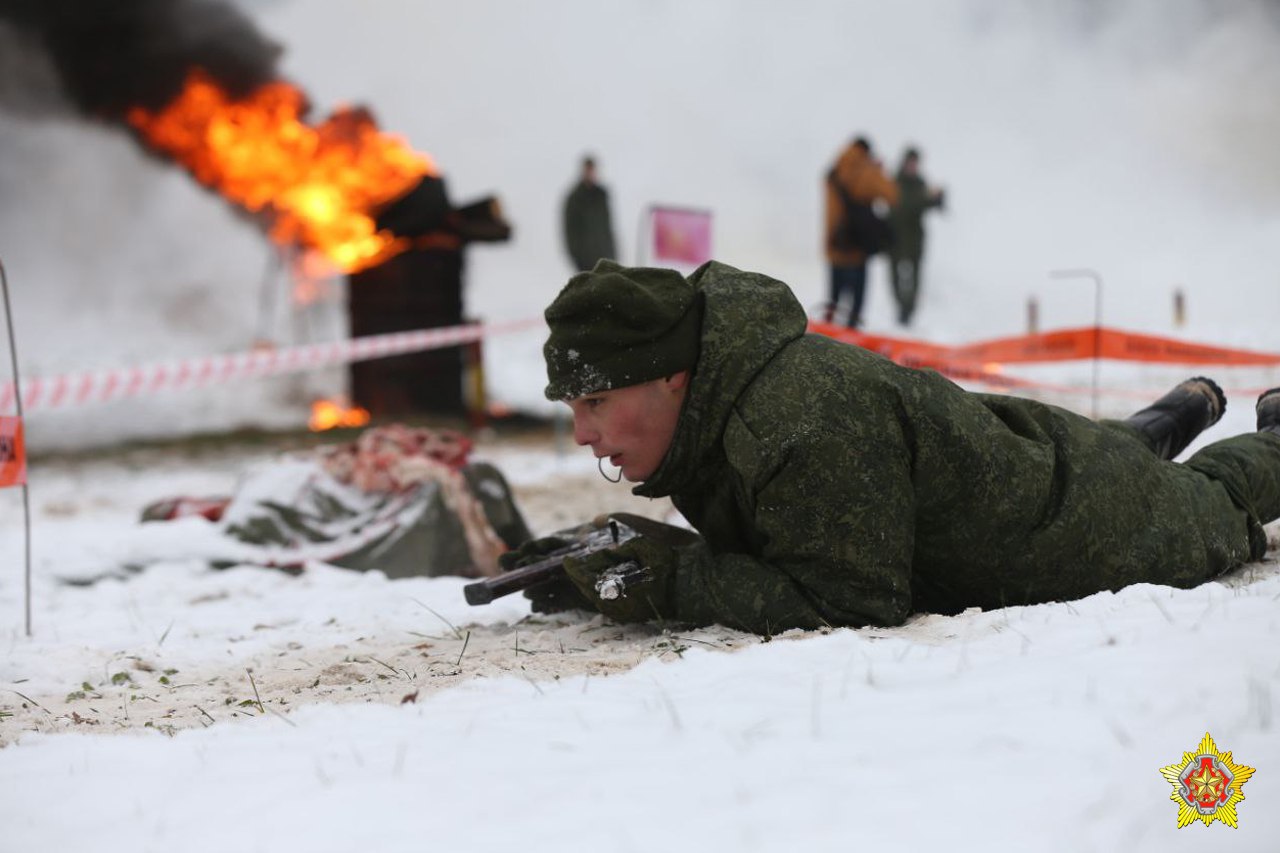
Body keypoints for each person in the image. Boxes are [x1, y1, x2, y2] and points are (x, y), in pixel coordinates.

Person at [502, 259, 1280, 635]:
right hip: (1034, 453)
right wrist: (627, 548)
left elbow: (851, 597)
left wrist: (664, 580)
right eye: (574, 406)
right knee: (1107, 450)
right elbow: (779, 538)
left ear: (673, 376)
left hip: (1089, 529)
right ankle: (1166, 420)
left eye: (597, 402)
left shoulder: (799, 420)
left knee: (1216, 499)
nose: (582, 432)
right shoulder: (723, 400)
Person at [823, 136, 898, 328]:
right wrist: (878, 170)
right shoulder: (866, 171)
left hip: (835, 246)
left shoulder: (834, 170)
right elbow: (891, 194)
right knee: (855, 307)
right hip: (856, 250)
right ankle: (851, 338)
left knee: (833, 300)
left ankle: (824, 333)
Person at [887, 146, 946, 326]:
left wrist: (937, 200)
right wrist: (926, 201)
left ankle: (908, 309)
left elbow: (926, 204)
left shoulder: (920, 183)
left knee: (915, 277)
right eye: (910, 162)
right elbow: (904, 205)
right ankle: (900, 306)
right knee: (895, 276)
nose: (912, 166)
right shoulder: (894, 181)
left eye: (915, 163)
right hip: (895, 237)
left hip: (915, 238)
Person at [561, 155, 618, 273]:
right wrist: (577, 257)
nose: (590, 173)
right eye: (588, 170)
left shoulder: (601, 197)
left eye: (592, 169)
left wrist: (612, 254)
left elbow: (607, 229)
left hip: (605, 258)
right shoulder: (575, 198)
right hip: (584, 262)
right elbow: (570, 231)